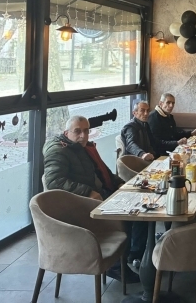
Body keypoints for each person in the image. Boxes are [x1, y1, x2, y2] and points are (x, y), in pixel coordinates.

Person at [43, 116, 141, 283]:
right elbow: (54, 182)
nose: (83, 135)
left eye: (86, 131)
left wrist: (118, 183)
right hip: (81, 205)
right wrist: (88, 192)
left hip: (100, 194)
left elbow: (102, 171)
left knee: (139, 204)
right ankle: (116, 266)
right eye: (77, 131)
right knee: (131, 214)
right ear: (66, 133)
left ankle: (134, 253)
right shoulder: (58, 150)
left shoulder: (82, 147)